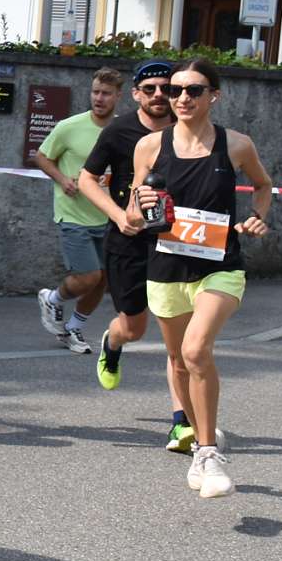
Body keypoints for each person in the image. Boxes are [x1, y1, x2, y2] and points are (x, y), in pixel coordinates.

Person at [131, 59, 272, 499]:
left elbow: (263, 185)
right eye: (175, 91)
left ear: (214, 95)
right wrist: (141, 205)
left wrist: (257, 217)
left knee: (196, 350)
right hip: (167, 267)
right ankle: (198, 441)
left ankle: (209, 453)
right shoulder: (149, 146)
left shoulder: (236, 145)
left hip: (220, 265)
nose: (181, 98)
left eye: (193, 90)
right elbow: (134, 213)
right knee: (178, 360)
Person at [77, 60, 197, 452]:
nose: (159, 95)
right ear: (136, 94)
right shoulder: (119, 131)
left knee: (177, 338)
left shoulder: (189, 132)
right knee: (134, 328)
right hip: (128, 242)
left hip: (174, 242)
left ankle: (181, 423)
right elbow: (86, 179)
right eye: (150, 89)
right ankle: (112, 343)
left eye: (167, 88)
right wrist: (116, 215)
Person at [32, 68, 124, 354]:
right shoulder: (69, 126)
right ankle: (53, 299)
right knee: (88, 276)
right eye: (95, 92)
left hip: (108, 214)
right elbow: (42, 157)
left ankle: (73, 327)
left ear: (118, 97)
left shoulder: (122, 130)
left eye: (106, 93)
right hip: (73, 213)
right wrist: (62, 180)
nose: (99, 98)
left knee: (103, 279)